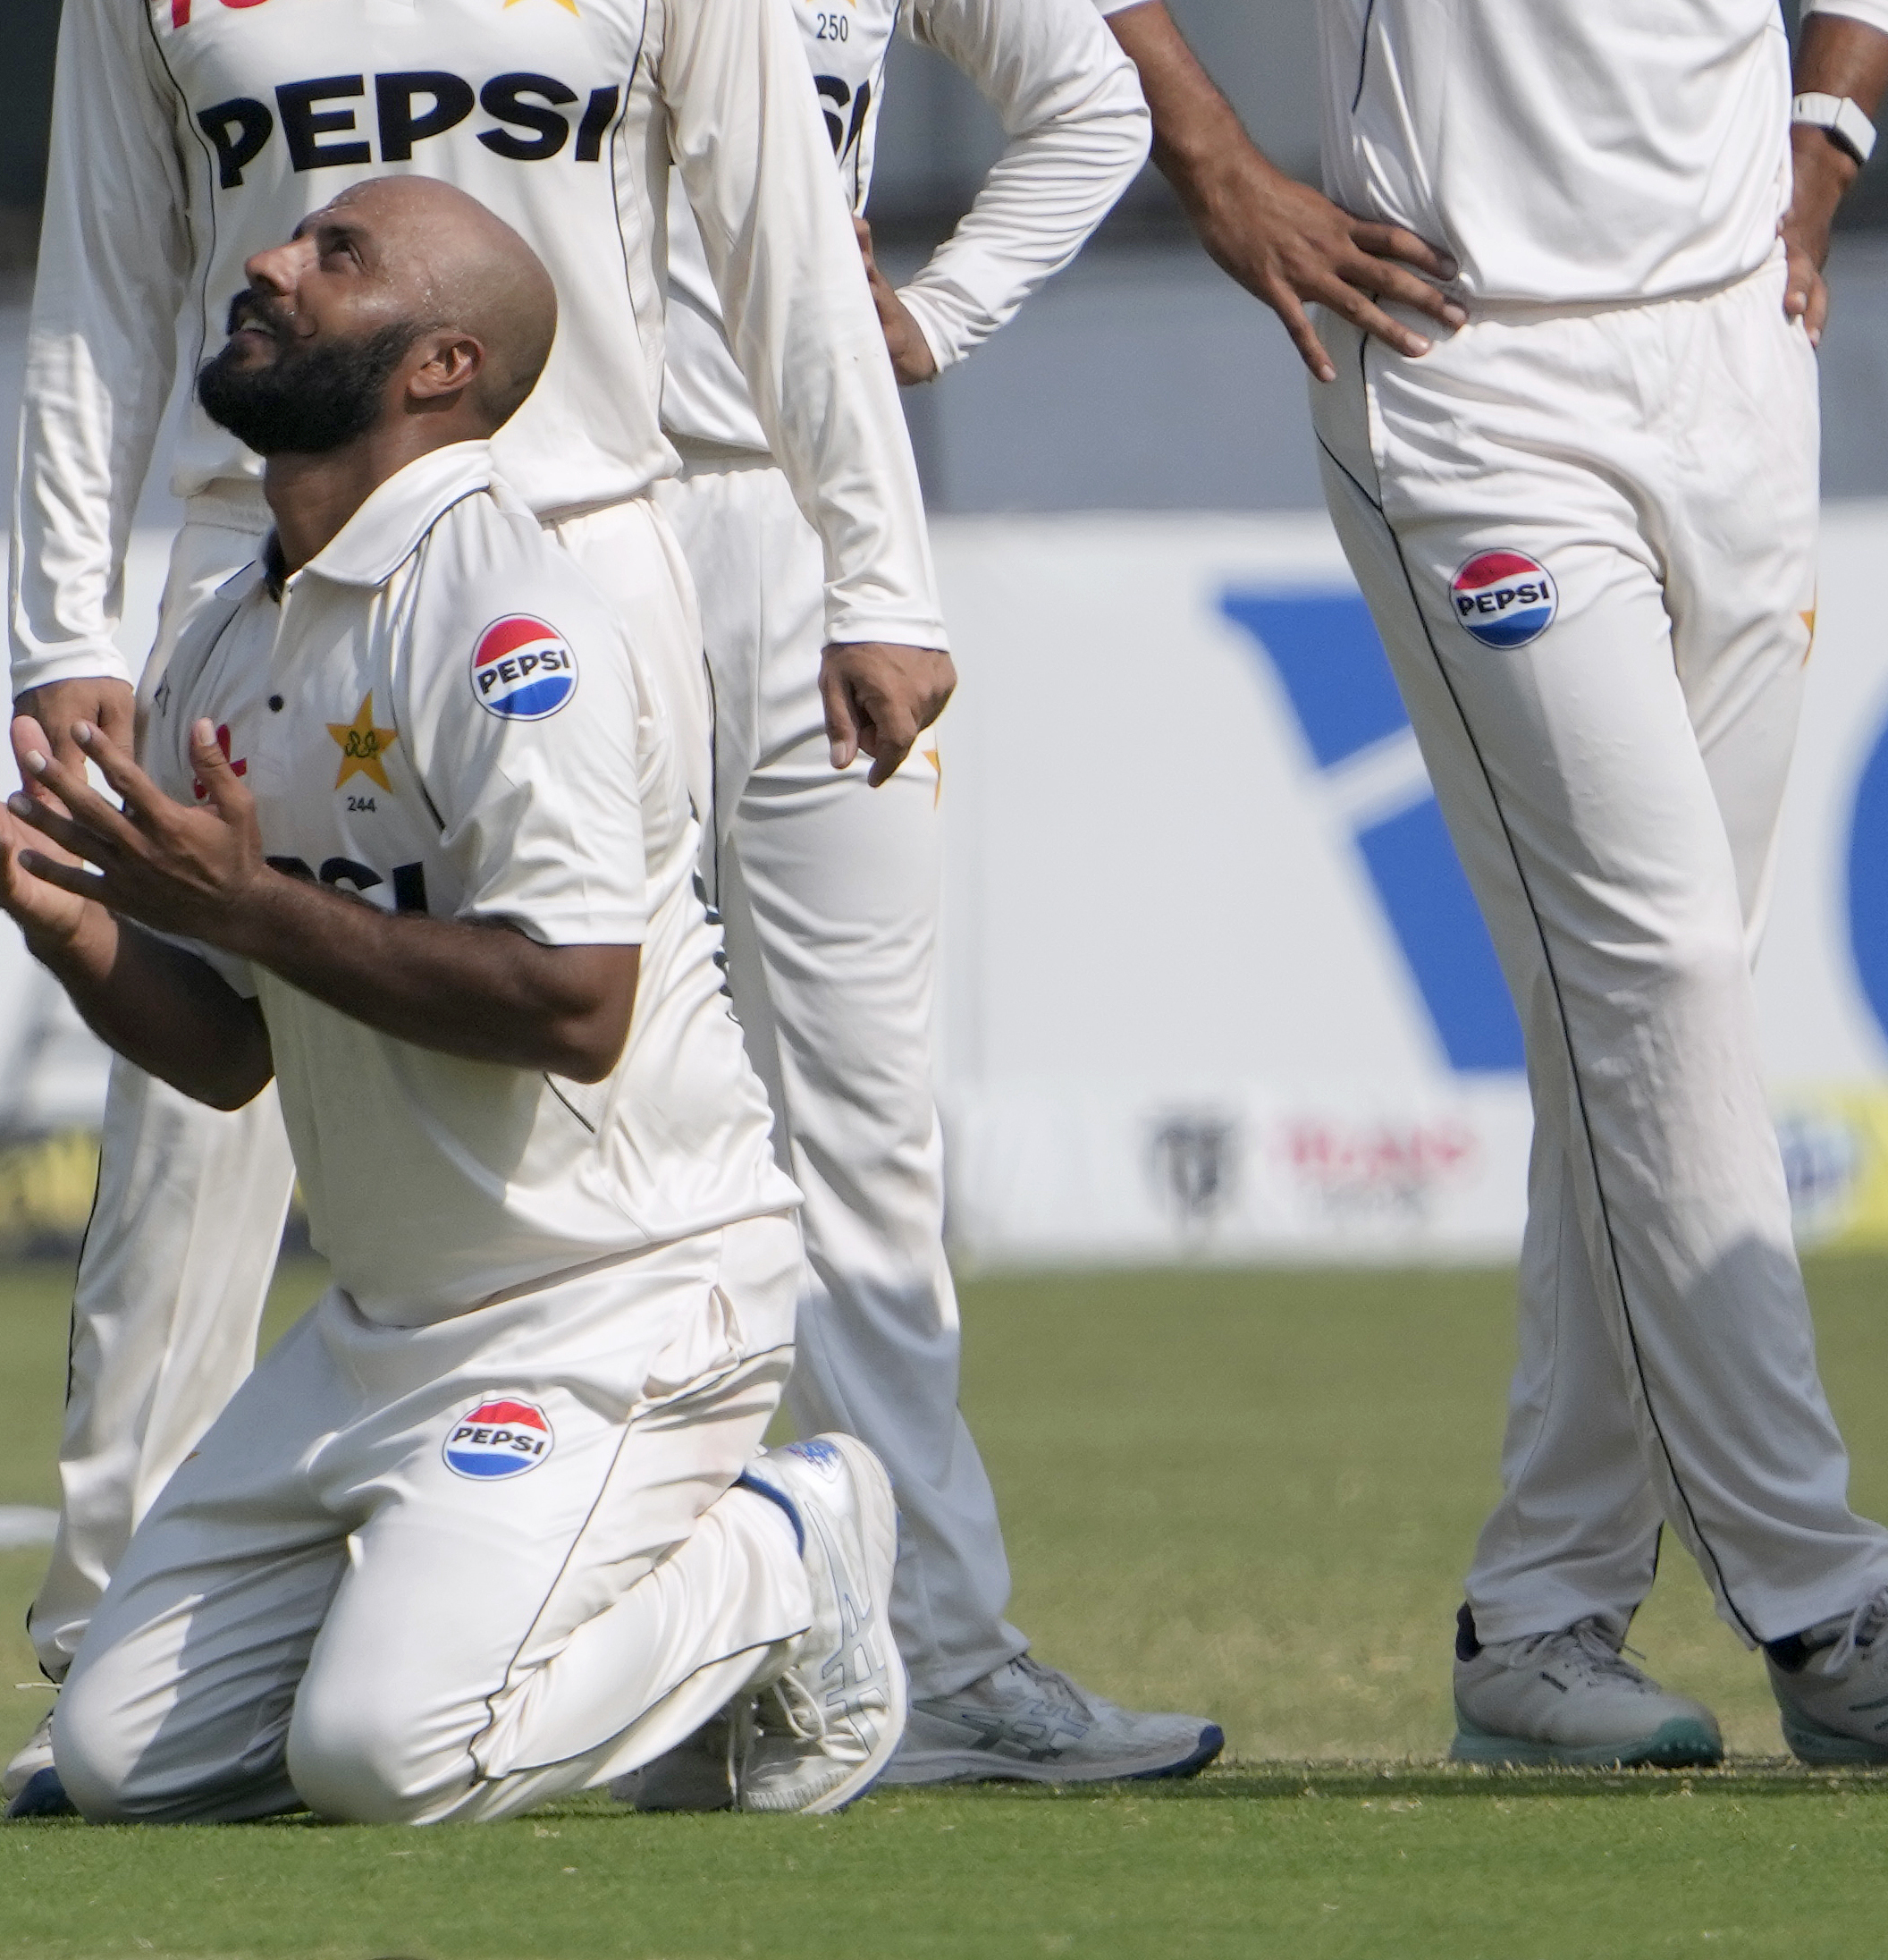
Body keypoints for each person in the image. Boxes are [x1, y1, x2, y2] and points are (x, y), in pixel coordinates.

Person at [0, 0, 945, 1812]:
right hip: (263, 527)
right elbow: (97, 279)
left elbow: (786, 238)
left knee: (575, 1038)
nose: (273, 258)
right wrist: (63, 635)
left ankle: (738, 1539)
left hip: (576, 523)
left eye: (327, 246)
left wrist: (876, 567)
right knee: (189, 1171)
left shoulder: (539, 616)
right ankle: (127, 1640)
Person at [1133, 0, 1888, 1766]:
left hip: (1739, 350)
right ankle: (1831, 1608)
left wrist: (1828, 143)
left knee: (1652, 1022)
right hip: (1467, 361)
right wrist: (1211, 154)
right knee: (1659, 979)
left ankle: (1538, 1616)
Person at [642, 0, 1223, 1787]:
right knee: (603, 1122)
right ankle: (627, 1656)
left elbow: (1093, 99)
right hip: (575, 530)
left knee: (870, 1139)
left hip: (827, 530)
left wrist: (935, 315)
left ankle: (942, 1654)